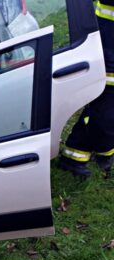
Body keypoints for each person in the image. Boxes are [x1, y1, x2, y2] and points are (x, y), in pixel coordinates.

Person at [58, 0, 114, 177]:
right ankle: (76, 158)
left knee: (104, 110)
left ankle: (101, 152)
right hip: (109, 50)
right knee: (105, 112)